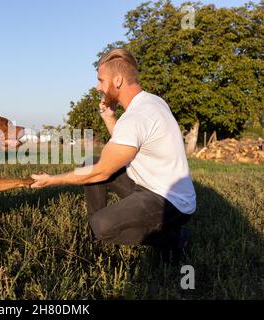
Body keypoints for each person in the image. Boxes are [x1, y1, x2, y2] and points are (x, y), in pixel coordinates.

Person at [30, 48, 196, 263]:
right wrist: (109, 117)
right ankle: (94, 237)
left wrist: (52, 180)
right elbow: (125, 144)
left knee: (103, 223)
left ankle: (174, 239)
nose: (98, 87)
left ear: (117, 81)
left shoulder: (137, 116)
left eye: (101, 80)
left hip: (170, 203)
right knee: (92, 162)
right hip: (150, 185)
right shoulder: (152, 101)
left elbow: (100, 173)